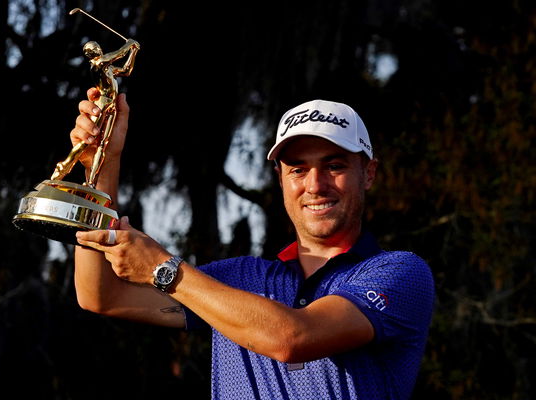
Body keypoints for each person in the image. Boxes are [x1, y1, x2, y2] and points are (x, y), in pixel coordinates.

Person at [71, 92, 435, 399]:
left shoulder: (400, 273)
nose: (315, 185)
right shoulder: (239, 276)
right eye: (297, 169)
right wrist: (102, 164)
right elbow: (101, 296)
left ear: (368, 173)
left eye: (334, 165)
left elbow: (293, 337)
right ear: (280, 178)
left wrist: (162, 267)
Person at [51, 39, 139, 187]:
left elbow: (126, 70)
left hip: (111, 106)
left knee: (103, 145)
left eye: (97, 47)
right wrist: (129, 45)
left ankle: (92, 182)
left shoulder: (108, 68)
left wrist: (134, 52)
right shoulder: (98, 63)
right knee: (88, 141)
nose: (97, 49)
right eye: (93, 49)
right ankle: (62, 168)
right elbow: (118, 54)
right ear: (90, 54)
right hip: (102, 103)